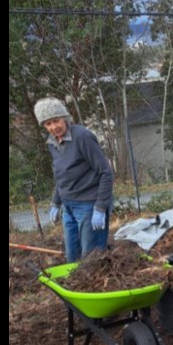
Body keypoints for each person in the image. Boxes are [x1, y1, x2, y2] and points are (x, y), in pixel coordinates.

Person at [34, 97, 114, 262]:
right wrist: (56, 202)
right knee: (72, 257)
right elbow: (61, 175)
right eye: (48, 124)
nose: (53, 127)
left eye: (56, 121)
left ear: (64, 117)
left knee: (91, 258)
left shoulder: (82, 137)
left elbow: (106, 172)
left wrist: (100, 208)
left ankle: (95, 287)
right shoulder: (52, 143)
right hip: (68, 206)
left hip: (89, 205)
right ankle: (78, 286)